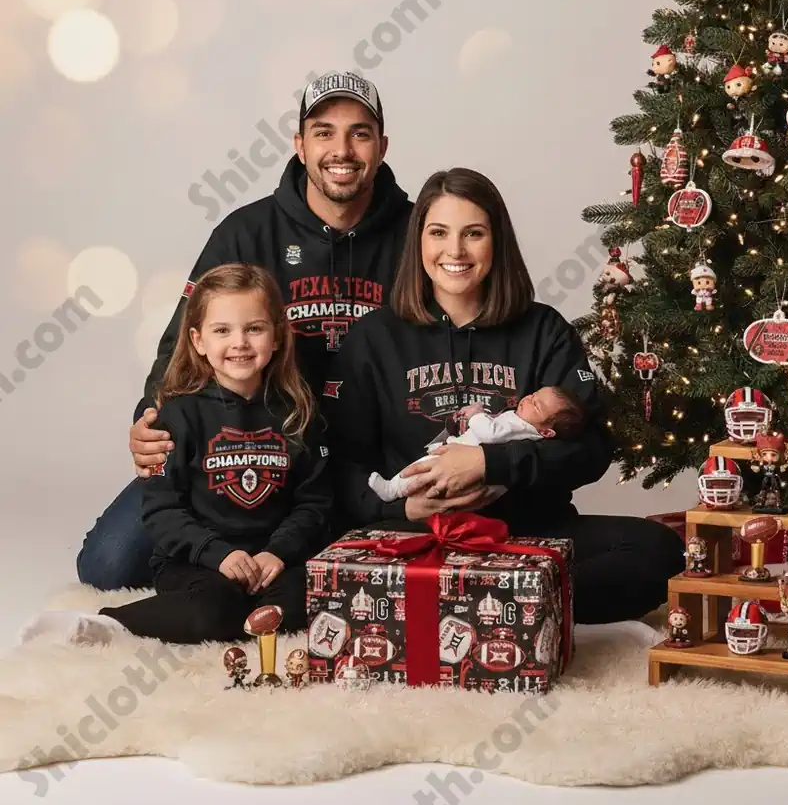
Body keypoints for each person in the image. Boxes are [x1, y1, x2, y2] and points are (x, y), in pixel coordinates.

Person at [77, 72, 412, 590]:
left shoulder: (420, 234)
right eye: (323, 132)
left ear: (382, 145)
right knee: (109, 563)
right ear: (300, 145)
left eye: (359, 133)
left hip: (364, 451)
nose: (340, 149)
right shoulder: (246, 231)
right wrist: (151, 419)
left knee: (364, 576)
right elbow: (181, 339)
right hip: (247, 439)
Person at [328, 167, 685, 624]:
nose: (454, 251)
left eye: (473, 233)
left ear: (497, 242)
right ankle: (513, 608)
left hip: (530, 533)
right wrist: (400, 506)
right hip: (420, 533)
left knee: (658, 550)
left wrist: (490, 464)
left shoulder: (543, 330)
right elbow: (342, 463)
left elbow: (591, 450)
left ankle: (469, 605)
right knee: (331, 559)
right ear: (418, 241)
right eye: (439, 232)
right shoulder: (374, 337)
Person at [25, 265, 331, 646]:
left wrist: (277, 553)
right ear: (198, 340)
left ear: (277, 338)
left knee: (318, 596)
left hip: (271, 562)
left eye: (254, 328)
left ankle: (250, 623)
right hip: (198, 562)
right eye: (222, 330)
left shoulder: (298, 414)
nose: (240, 342)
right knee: (212, 608)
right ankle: (107, 624)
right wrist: (217, 555)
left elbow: (313, 503)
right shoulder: (178, 415)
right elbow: (162, 509)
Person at [367, 387, 586, 503]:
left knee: (421, 469)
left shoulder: (522, 427)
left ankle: (392, 490)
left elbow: (491, 434)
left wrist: (476, 414)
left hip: (458, 462)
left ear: (547, 432)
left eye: (536, 405)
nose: (527, 399)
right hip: (461, 459)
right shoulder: (522, 423)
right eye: (532, 395)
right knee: (423, 477)